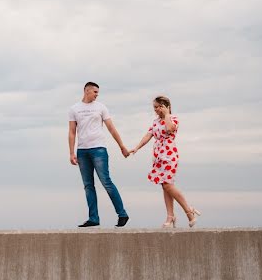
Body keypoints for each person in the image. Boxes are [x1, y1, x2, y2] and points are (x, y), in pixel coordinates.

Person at [130, 95, 201, 228]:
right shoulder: (155, 122)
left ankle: (188, 211)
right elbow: (148, 135)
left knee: (168, 185)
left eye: (158, 107)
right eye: (154, 107)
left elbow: (169, 129)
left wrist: (167, 114)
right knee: (164, 185)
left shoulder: (173, 119)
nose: (156, 110)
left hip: (169, 155)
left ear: (165, 106)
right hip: (158, 156)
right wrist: (137, 148)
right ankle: (170, 216)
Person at [68, 81, 130, 227]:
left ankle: (122, 214)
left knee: (106, 181)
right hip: (82, 151)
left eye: (98, 93)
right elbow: (71, 132)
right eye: (95, 92)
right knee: (88, 185)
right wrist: (71, 152)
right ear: (87, 91)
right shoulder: (74, 109)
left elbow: (111, 128)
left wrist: (121, 146)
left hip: (99, 149)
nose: (97, 95)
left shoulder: (101, 107)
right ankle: (93, 218)